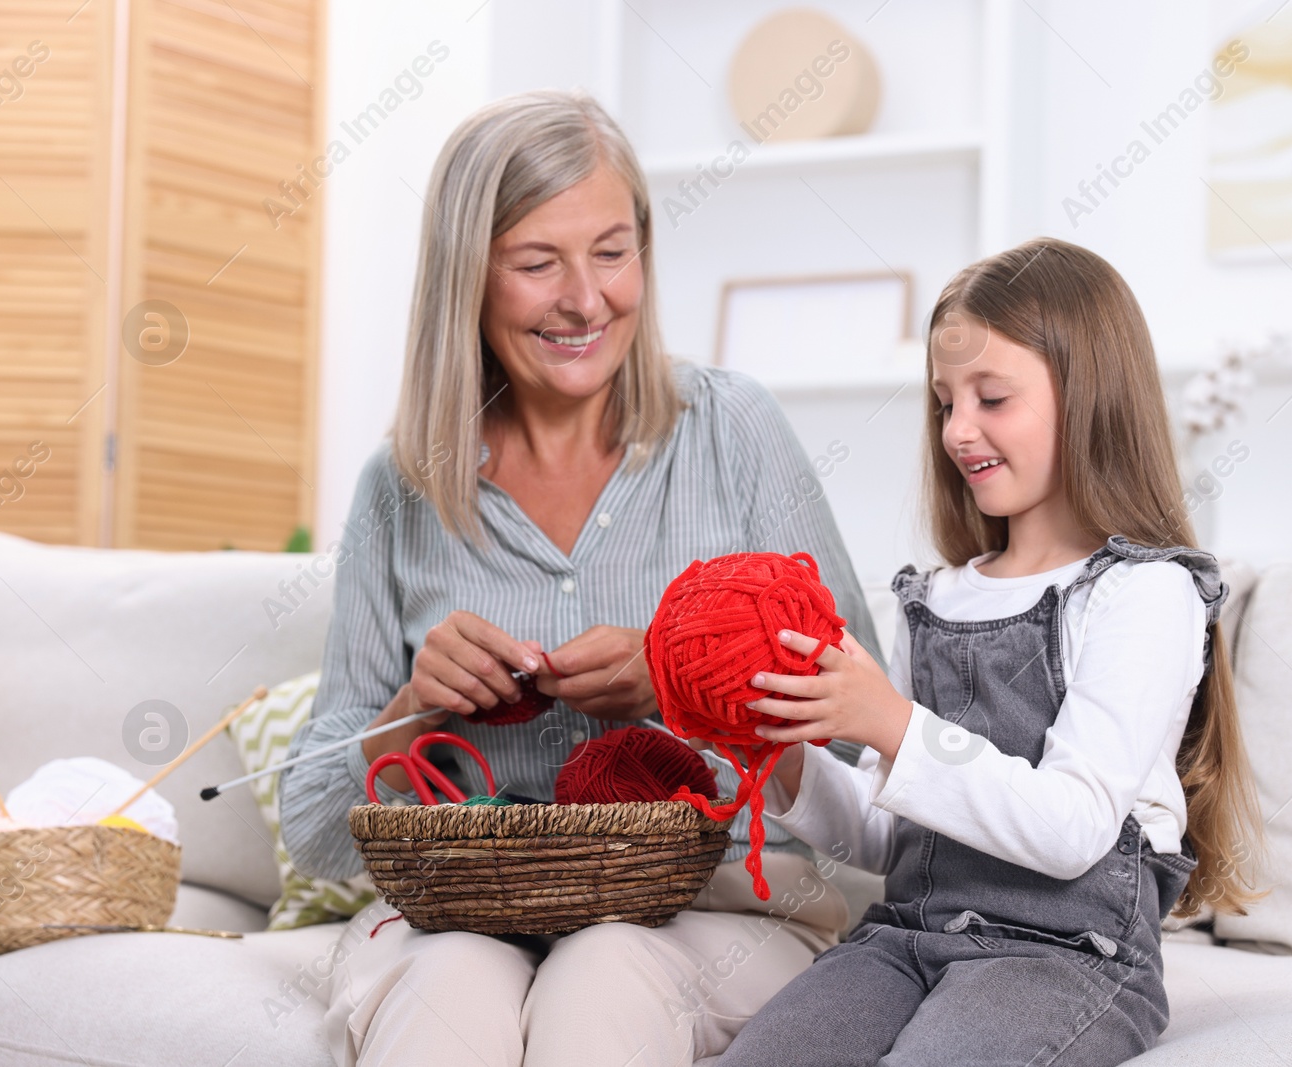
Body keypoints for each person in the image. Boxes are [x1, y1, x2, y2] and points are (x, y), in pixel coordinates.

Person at [277, 89, 879, 1067]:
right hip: (469, 905)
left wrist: (676, 685)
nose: (586, 299)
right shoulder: (401, 487)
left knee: (599, 977)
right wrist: (413, 708)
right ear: (466, 278)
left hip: (712, 899)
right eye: (535, 262)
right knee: (447, 999)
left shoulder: (733, 432)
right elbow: (313, 834)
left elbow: (863, 751)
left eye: (610, 251)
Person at [717, 238, 1268, 1066]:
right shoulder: (935, 595)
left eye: (992, 397)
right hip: (908, 937)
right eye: (944, 402)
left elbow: (1076, 826)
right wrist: (785, 760)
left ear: (1089, 397)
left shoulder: (1143, 594)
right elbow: (886, 836)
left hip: (1071, 955)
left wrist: (896, 724)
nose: (958, 430)